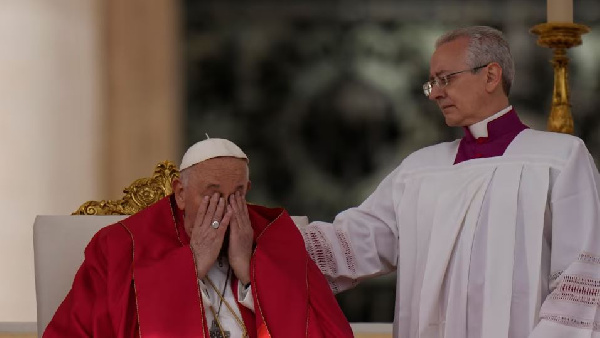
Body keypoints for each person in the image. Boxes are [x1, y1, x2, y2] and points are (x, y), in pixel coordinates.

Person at [300, 26, 600, 338]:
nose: (436, 93)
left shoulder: (559, 158)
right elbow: (353, 243)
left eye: (446, 79)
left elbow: (579, 280)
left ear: (490, 76)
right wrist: (263, 239)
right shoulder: (419, 170)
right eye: (432, 83)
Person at [45, 138, 353, 338]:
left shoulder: (275, 241)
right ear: (180, 193)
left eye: (236, 196)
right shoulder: (122, 246)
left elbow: (326, 331)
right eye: (212, 196)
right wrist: (188, 269)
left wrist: (251, 274)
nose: (225, 209)